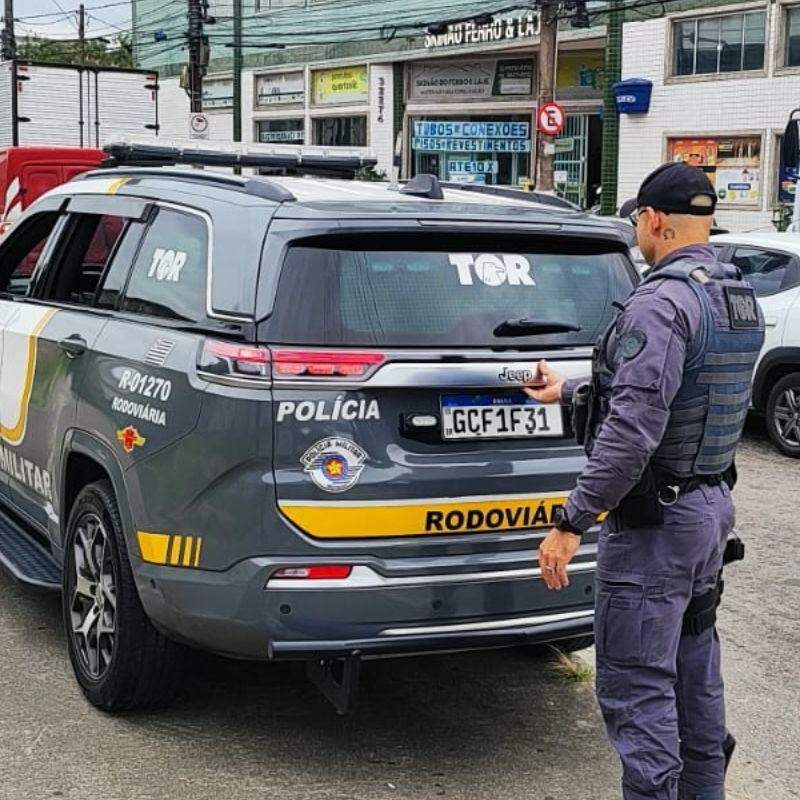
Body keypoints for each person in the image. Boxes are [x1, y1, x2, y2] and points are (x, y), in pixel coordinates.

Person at [525, 162, 765, 800]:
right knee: (694, 669)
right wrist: (571, 388)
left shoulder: (661, 301)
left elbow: (633, 431)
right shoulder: (735, 294)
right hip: (709, 508)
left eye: (638, 220)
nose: (637, 231)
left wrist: (571, 521)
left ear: (655, 220)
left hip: (656, 525)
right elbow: (681, 394)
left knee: (637, 685)